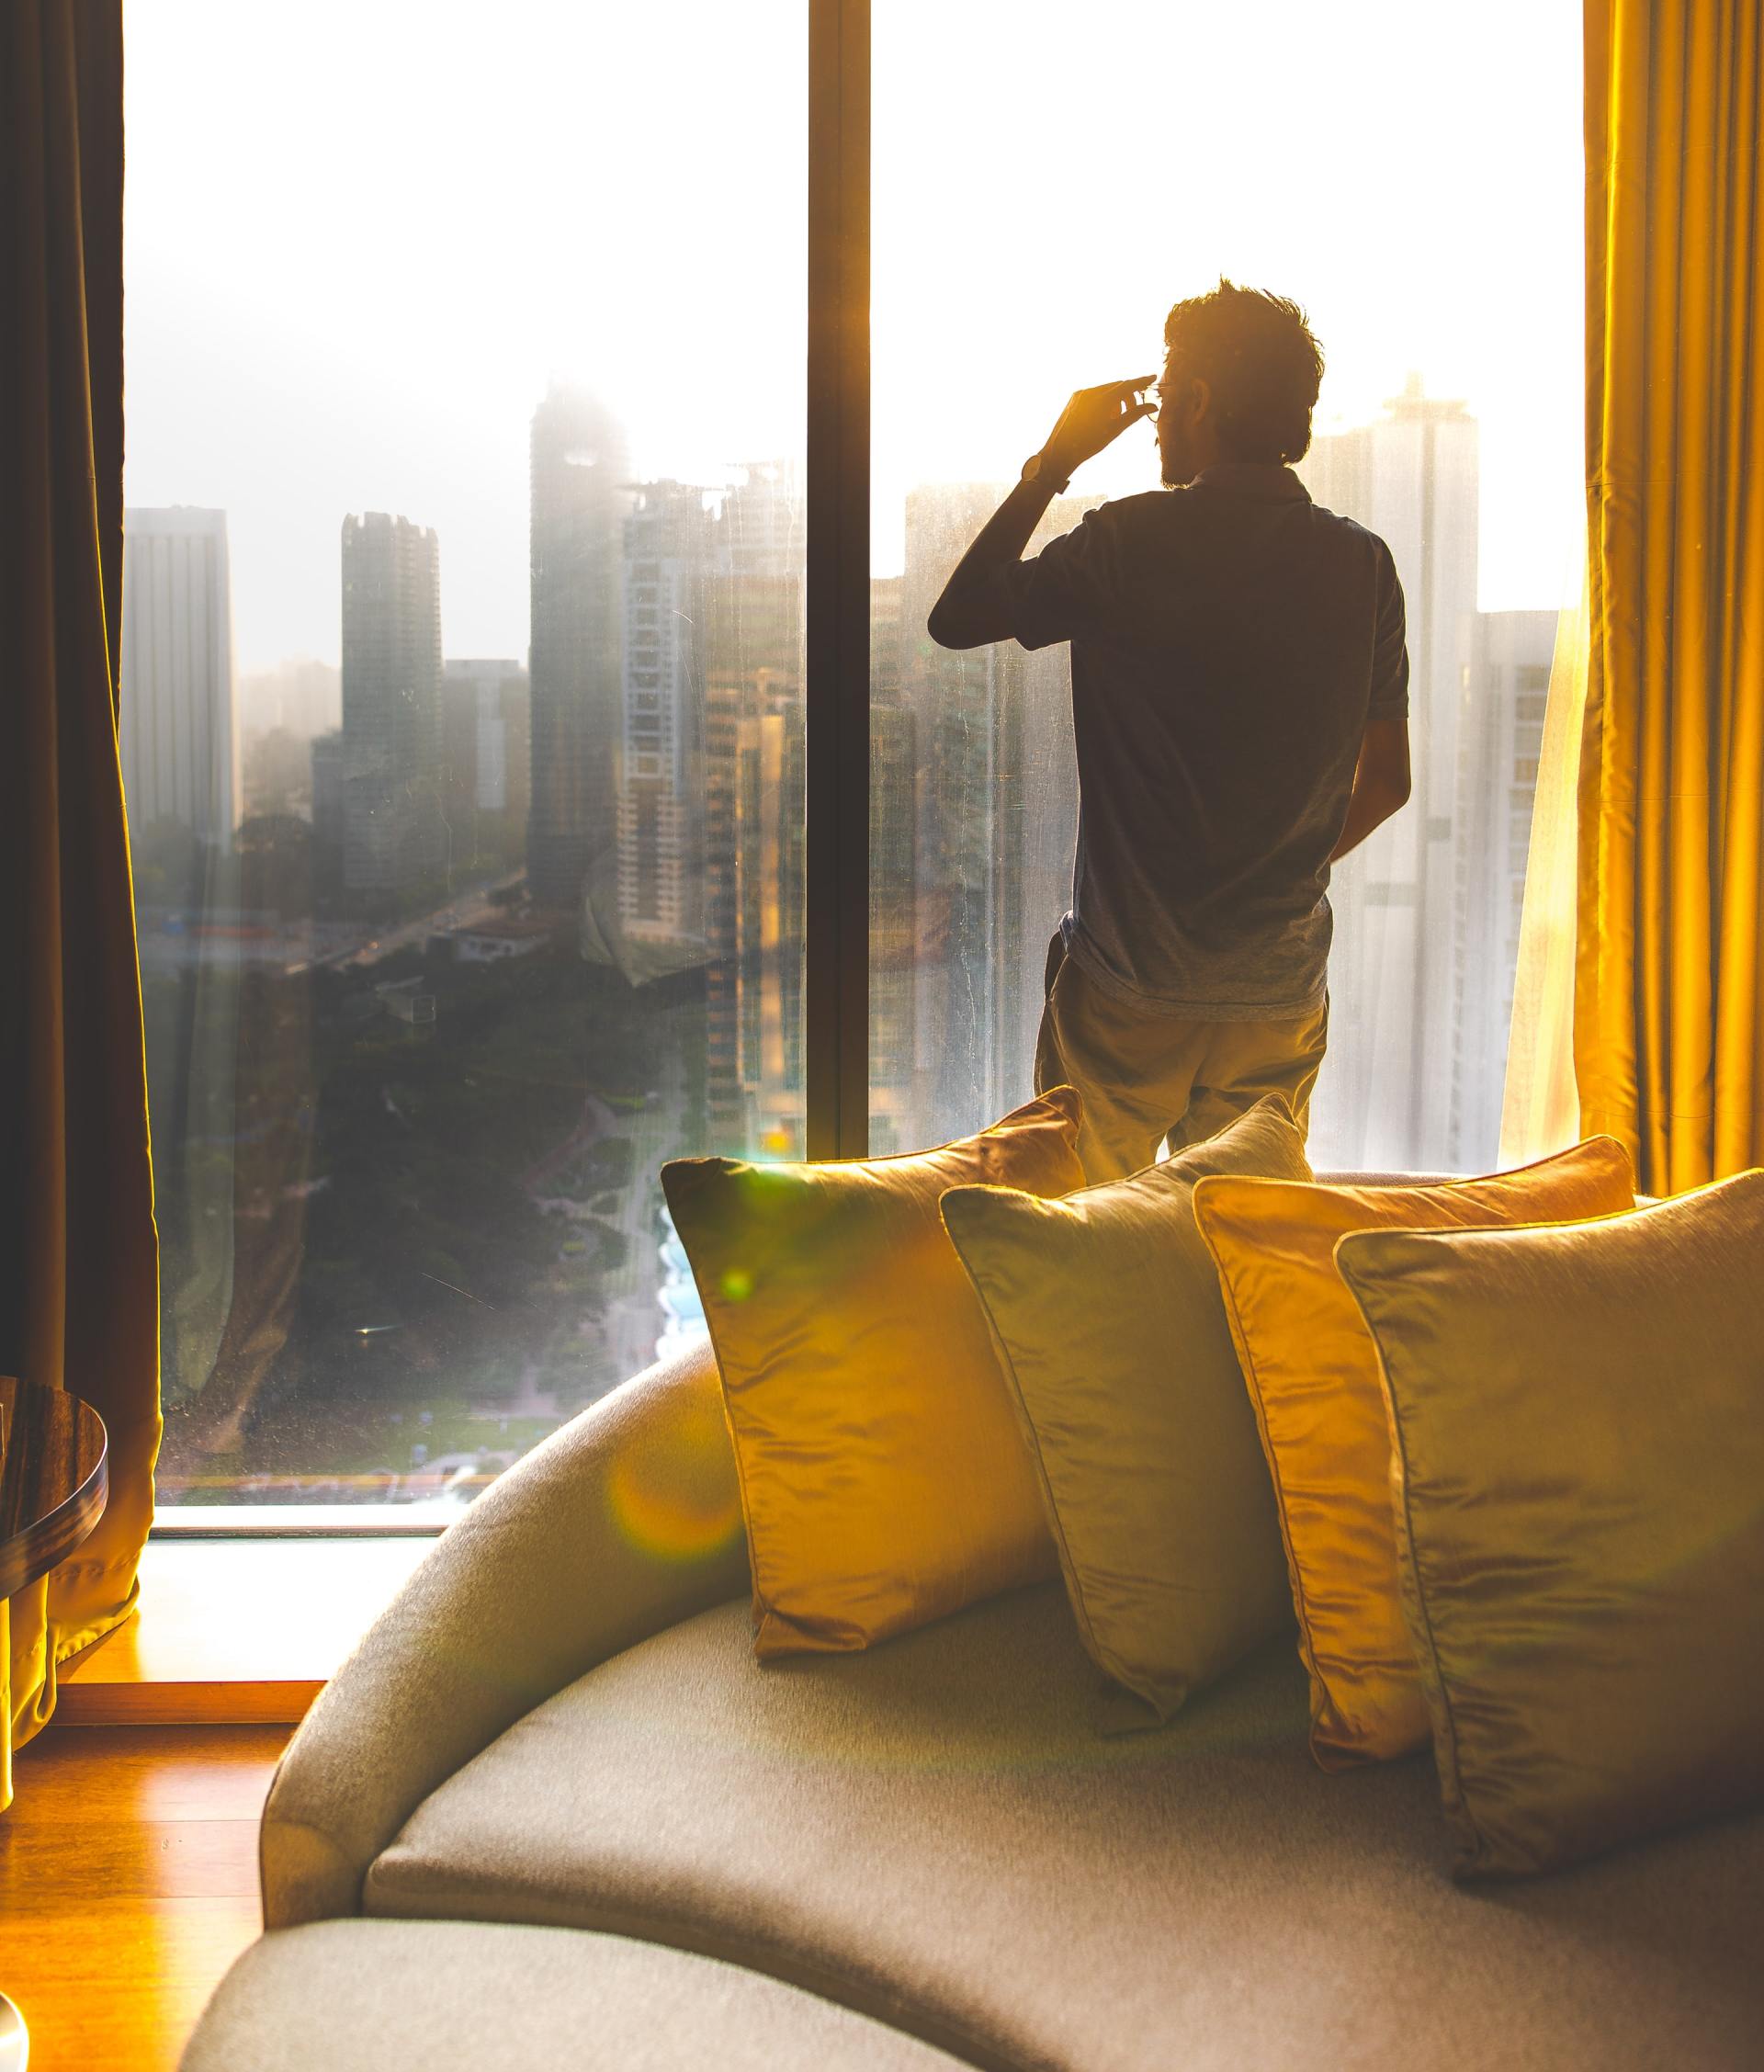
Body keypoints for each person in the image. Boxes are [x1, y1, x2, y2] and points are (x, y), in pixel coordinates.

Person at [928, 278, 1411, 1183]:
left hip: (1127, 991)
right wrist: (1276, 867)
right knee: (1240, 1246)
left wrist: (1054, 461)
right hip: (1275, 994)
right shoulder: (1363, 565)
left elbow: (957, 617)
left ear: (1195, 400)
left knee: (1085, 1236)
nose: (1152, 422)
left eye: (1163, 392)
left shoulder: (1128, 541)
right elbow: (1386, 782)